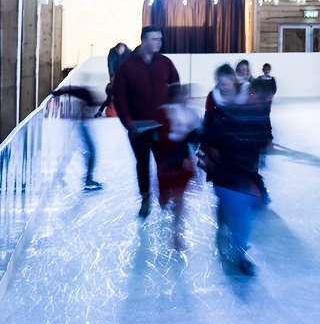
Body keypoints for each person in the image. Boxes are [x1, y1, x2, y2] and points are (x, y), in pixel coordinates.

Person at [201, 63, 272, 276]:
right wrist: (206, 151)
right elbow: (207, 129)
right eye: (220, 83)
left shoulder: (248, 100)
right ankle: (224, 226)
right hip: (222, 165)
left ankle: (240, 254)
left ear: (233, 81)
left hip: (244, 164)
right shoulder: (214, 102)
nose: (223, 87)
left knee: (242, 213)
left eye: (227, 82)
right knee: (227, 202)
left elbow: (262, 120)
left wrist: (265, 140)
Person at [111, 25, 181, 218]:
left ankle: (165, 195)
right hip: (138, 127)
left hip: (161, 125)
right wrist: (128, 122)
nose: (158, 42)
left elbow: (176, 87)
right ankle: (146, 197)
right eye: (153, 39)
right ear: (143, 40)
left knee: (164, 162)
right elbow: (120, 97)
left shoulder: (165, 63)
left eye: (160, 39)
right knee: (142, 163)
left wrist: (174, 113)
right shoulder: (127, 67)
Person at [155, 82, 202, 251]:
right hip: (168, 160)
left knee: (180, 198)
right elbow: (159, 139)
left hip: (181, 160)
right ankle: (168, 202)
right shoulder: (163, 112)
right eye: (182, 94)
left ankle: (176, 235)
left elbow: (196, 136)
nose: (185, 98)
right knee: (167, 197)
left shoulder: (189, 114)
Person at [53, 84, 104, 191]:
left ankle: (85, 179)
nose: (89, 112)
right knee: (90, 153)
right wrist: (58, 92)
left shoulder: (87, 97)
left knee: (87, 153)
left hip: (80, 126)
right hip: (80, 126)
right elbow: (71, 91)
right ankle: (86, 180)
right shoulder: (86, 95)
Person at [105, 41, 130, 109]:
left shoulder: (129, 53)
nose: (119, 52)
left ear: (124, 49)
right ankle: (110, 104)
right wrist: (112, 76)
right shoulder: (112, 52)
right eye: (118, 51)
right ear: (116, 49)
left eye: (121, 51)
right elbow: (110, 64)